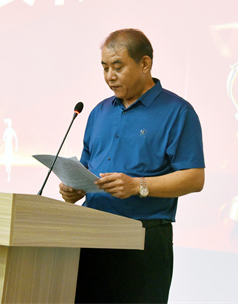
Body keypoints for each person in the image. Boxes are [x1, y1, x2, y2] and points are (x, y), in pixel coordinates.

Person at [59, 28, 205, 304]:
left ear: (145, 64)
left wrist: (137, 185)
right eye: (104, 68)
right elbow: (87, 167)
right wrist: (75, 188)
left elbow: (194, 178)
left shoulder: (178, 111)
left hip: (143, 241)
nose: (109, 76)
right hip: (90, 235)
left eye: (118, 66)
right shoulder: (99, 112)